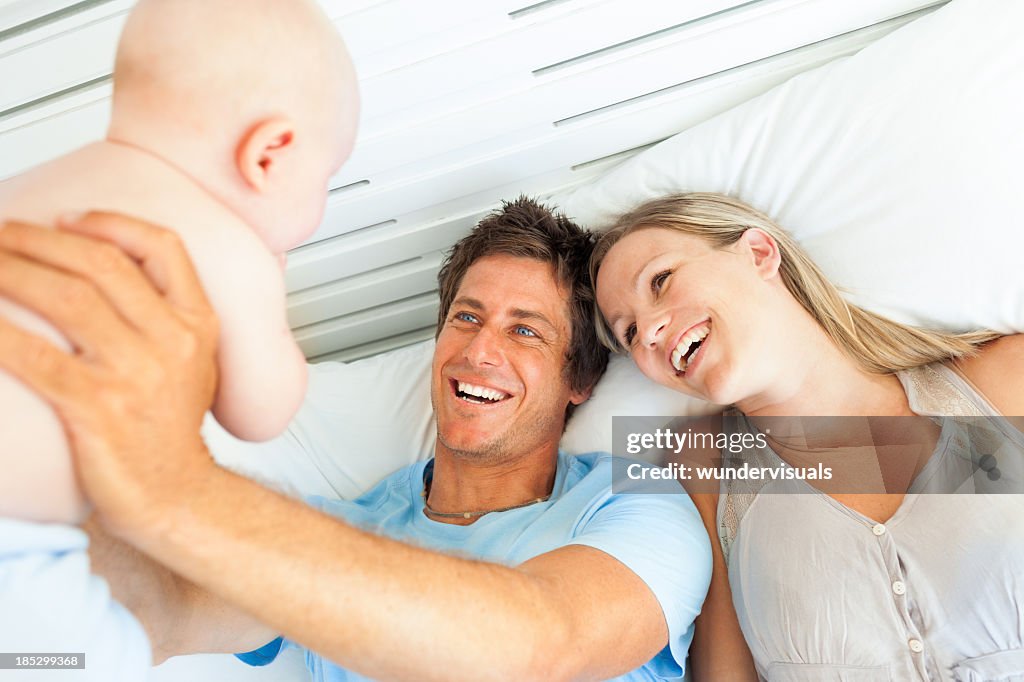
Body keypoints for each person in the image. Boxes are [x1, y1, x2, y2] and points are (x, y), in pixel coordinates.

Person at [0, 198, 713, 681]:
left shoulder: (632, 502)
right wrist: (44, 460)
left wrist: (177, 483)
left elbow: (539, 643)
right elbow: (163, 607)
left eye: (525, 330)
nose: (480, 352)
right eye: (466, 318)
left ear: (578, 380)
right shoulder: (338, 530)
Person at [0, 1, 356, 677]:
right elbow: (262, 411)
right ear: (270, 153)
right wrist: (268, 306)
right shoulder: (223, 244)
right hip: (13, 547)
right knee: (79, 656)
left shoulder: (35, 186)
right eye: (327, 178)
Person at [589, 192, 1024, 681]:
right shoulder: (702, 466)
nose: (648, 330)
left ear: (758, 253)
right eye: (628, 333)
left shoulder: (1006, 386)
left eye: (661, 280)